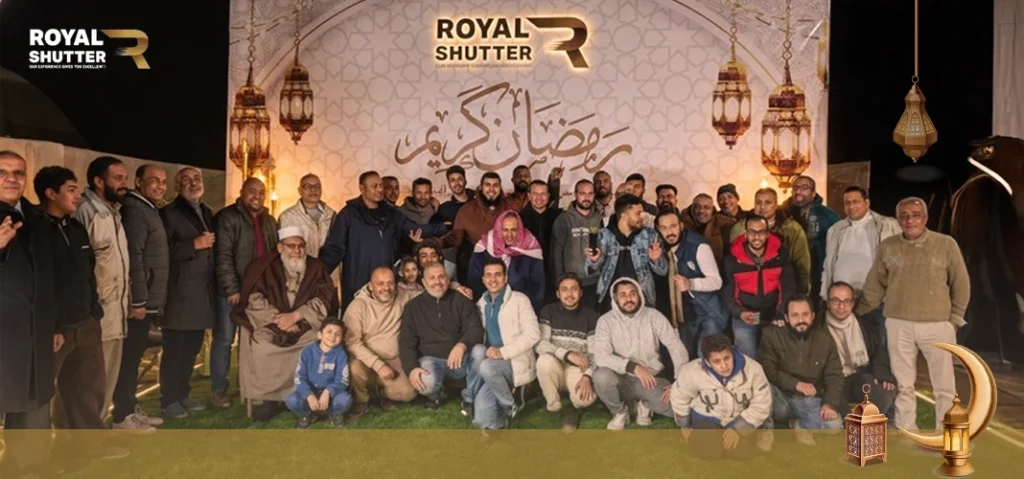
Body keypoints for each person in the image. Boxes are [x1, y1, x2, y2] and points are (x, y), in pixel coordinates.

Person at [855, 197, 970, 431]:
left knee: (944, 385)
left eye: (915, 215)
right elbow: (875, 284)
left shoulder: (945, 244)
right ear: (898, 220)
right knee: (903, 384)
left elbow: (961, 283)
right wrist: (855, 312)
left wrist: (955, 319)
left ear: (925, 218)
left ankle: (946, 432)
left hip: (938, 324)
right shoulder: (888, 246)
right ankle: (907, 430)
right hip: (898, 323)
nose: (910, 220)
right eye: (904, 216)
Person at [0, 152, 65, 474]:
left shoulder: (38, 220)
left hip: (36, 330)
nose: (12, 178)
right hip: (4, 331)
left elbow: (50, 277)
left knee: (33, 402)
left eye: (18, 172)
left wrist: (54, 325)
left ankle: (30, 467)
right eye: (2, 172)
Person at [232, 226, 335, 422]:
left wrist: (297, 316)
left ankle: (306, 396)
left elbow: (324, 299)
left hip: (305, 324)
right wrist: (281, 320)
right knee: (262, 345)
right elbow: (254, 299)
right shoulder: (263, 267)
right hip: (270, 323)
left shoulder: (316, 267)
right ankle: (269, 400)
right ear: (280, 248)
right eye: (291, 246)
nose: (297, 250)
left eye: (301, 246)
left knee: (317, 343)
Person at [319, 171, 446, 312]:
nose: (379, 189)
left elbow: (415, 229)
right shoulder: (348, 214)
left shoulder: (392, 214)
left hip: (387, 283)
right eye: (374, 186)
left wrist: (443, 227)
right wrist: (316, 273)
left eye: (380, 185)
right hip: (358, 283)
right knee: (355, 320)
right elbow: (335, 249)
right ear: (362, 188)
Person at [72, 155, 131, 419]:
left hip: (116, 312)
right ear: (98, 181)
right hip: (97, 314)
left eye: (125, 178)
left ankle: (96, 429)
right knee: (89, 382)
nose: (124, 183)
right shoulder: (87, 212)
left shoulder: (112, 212)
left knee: (106, 378)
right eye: (118, 178)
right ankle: (81, 435)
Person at [211, 177, 278, 408]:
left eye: (261, 192)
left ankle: (247, 385)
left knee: (251, 341)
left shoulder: (269, 221)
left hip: (258, 293)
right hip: (233, 292)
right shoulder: (227, 217)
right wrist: (232, 289)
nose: (257, 196)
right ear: (241, 192)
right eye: (252, 191)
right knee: (225, 340)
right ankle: (219, 390)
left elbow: (274, 257)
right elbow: (223, 256)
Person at [112, 164, 168, 430]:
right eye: (154, 180)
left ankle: (129, 407)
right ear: (138, 182)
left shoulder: (147, 208)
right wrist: (139, 300)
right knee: (129, 359)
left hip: (147, 298)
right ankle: (123, 415)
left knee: (133, 358)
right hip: (139, 301)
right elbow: (134, 255)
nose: (160, 186)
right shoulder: (135, 210)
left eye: (163, 182)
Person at [593, 278, 689, 430]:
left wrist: (679, 382)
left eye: (633, 293)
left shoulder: (654, 316)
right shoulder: (605, 321)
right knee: (601, 376)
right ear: (615, 298)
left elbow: (676, 346)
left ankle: (644, 406)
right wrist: (633, 367)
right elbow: (600, 356)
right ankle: (619, 412)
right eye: (623, 295)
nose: (629, 299)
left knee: (679, 408)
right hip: (620, 380)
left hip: (650, 379)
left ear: (639, 294)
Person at [159, 167, 217, 418]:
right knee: (175, 351)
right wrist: (193, 244)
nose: (193, 183)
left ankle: (183, 394)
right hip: (178, 294)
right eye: (186, 179)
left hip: (201, 294)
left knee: (191, 349)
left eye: (197, 179)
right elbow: (160, 251)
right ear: (177, 186)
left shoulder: (206, 211)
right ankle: (169, 399)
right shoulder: (168, 213)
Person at [400, 262, 486, 413]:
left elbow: (475, 328)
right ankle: (436, 395)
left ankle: (470, 399)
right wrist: (411, 368)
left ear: (447, 279)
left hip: (460, 359)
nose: (437, 282)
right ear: (424, 282)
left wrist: (462, 345)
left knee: (480, 351)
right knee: (426, 384)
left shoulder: (462, 300)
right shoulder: (412, 307)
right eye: (432, 278)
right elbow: (406, 342)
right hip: (430, 360)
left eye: (441, 276)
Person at [759, 295, 844, 445]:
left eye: (805, 314)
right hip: (779, 396)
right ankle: (766, 430)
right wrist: (795, 384)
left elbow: (835, 375)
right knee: (762, 387)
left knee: (834, 426)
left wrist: (829, 404)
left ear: (812, 316)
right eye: (795, 315)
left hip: (807, 400)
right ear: (786, 318)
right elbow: (768, 370)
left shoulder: (825, 339)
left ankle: (798, 424)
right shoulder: (772, 335)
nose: (801, 320)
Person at [671, 334, 772, 459]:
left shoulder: (754, 369)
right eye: (717, 361)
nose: (724, 365)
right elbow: (679, 397)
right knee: (710, 454)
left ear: (732, 353)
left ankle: (729, 438)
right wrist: (685, 426)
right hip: (707, 417)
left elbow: (762, 403)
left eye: (727, 358)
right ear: (707, 362)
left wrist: (738, 428)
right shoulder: (690, 371)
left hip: (738, 416)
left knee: (743, 454)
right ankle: (706, 439)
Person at [472, 259, 541, 430]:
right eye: (488, 275)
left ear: (505, 278)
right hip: (492, 368)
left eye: (497, 275)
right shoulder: (481, 304)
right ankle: (504, 418)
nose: (493, 279)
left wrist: (503, 352)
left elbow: (533, 334)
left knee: (487, 366)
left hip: (515, 362)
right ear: (483, 280)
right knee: (482, 418)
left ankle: (510, 404)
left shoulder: (520, 300)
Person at [343, 267, 418, 419]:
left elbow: (429, 291)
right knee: (354, 368)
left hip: (394, 360)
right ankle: (361, 401)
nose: (386, 288)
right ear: (370, 286)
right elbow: (352, 342)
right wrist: (378, 365)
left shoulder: (402, 296)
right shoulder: (358, 306)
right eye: (380, 283)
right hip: (367, 361)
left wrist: (455, 286)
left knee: (409, 393)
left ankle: (383, 393)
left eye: (390, 283)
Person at [653, 209, 729, 357]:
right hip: (683, 314)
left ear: (681, 225)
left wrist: (691, 284)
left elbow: (716, 281)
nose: (670, 232)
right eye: (664, 228)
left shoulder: (698, 246)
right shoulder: (658, 246)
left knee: (707, 356)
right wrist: (656, 261)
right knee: (684, 356)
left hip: (706, 311)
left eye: (673, 226)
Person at [721, 214, 797, 358]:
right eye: (752, 232)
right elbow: (727, 293)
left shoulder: (780, 254)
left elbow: (788, 287)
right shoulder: (733, 259)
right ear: (746, 233)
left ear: (767, 233)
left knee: (778, 350)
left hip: (773, 312)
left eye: (761, 232)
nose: (756, 237)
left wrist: (781, 313)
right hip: (745, 312)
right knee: (746, 346)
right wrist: (740, 313)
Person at [535, 273, 600, 430]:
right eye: (564, 289)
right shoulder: (548, 311)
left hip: (578, 368)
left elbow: (596, 353)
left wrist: (587, 376)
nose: (569, 294)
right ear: (558, 294)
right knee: (543, 360)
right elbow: (540, 344)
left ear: (581, 292)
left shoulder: (592, 317)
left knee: (585, 400)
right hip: (555, 365)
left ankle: (574, 405)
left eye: (574, 289)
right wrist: (567, 354)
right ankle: (554, 405)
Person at [820, 186, 900, 313]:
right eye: (847, 203)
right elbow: (828, 264)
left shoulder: (888, 226)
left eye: (855, 202)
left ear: (867, 203)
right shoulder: (835, 230)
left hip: (876, 301)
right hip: (841, 302)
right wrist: (825, 295)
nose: (851, 206)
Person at [823, 282, 896, 417]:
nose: (841, 306)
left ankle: (863, 423)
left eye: (846, 301)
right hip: (832, 381)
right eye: (835, 301)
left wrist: (882, 374)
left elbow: (879, 351)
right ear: (827, 303)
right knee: (839, 414)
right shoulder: (818, 327)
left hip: (859, 375)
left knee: (884, 395)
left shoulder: (866, 324)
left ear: (853, 303)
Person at [586, 194, 667, 312]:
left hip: (643, 298)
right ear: (624, 216)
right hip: (610, 300)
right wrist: (594, 260)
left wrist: (656, 260)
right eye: (638, 213)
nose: (642, 217)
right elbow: (589, 269)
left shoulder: (650, 235)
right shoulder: (603, 235)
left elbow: (663, 270)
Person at [729, 188, 811, 296]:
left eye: (768, 202)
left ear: (775, 205)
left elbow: (802, 265)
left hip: (783, 288)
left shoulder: (792, 229)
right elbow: (732, 264)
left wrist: (802, 294)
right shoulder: (740, 228)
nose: (762, 207)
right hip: (748, 291)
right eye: (758, 202)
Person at [441, 172, 517, 283]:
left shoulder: (510, 210)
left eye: (495, 185)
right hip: (474, 267)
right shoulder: (466, 210)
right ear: (481, 187)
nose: (491, 189)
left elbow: (520, 237)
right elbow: (455, 237)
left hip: (505, 268)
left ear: (500, 188)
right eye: (487, 185)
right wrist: (437, 242)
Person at [468, 211, 545, 311]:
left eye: (514, 230)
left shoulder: (531, 248)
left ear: (520, 230)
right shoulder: (484, 247)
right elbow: (474, 283)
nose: (509, 235)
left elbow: (538, 288)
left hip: (520, 310)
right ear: (498, 229)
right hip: (488, 308)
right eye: (505, 230)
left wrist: (529, 312)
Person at [285, 318, 352, 429]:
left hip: (331, 394)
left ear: (341, 338)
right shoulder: (307, 351)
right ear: (320, 335)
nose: (333, 336)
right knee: (291, 400)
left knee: (345, 399)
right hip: (311, 391)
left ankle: (335, 414)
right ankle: (308, 415)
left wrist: (328, 392)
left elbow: (343, 380)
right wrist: (309, 395)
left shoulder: (341, 354)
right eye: (329, 332)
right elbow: (299, 377)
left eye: (338, 334)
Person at [783, 176, 840, 301]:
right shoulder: (783, 214)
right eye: (795, 188)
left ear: (813, 193)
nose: (798, 191)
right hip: (791, 276)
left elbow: (839, 248)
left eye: (804, 188)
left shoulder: (828, 215)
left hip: (818, 275)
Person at [278, 173, 338, 292]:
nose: (313, 190)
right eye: (307, 186)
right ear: (300, 190)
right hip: (299, 280)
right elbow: (284, 251)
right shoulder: (287, 217)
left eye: (316, 186)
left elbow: (337, 247)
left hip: (328, 276)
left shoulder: (331, 215)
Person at [551, 179, 603, 311]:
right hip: (570, 283)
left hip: (594, 281)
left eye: (590, 193)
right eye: (582, 193)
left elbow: (604, 248)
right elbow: (557, 252)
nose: (586, 197)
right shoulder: (563, 219)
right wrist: (560, 281)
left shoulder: (599, 219)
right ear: (575, 195)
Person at [520, 179, 562, 304]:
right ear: (529, 196)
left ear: (548, 196)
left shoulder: (558, 217)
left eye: (543, 194)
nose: (539, 198)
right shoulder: (519, 218)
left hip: (553, 273)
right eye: (535, 193)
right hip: (527, 274)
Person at [434, 165, 474, 271]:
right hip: (457, 259)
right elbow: (436, 229)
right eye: (452, 180)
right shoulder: (444, 209)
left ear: (465, 181)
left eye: (459, 179)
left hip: (479, 253)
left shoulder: (478, 200)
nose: (457, 183)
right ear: (449, 184)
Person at [680, 193, 736, 264]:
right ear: (692, 209)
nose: (701, 211)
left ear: (713, 210)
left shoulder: (725, 225)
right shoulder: (681, 226)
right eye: (697, 207)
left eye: (706, 207)